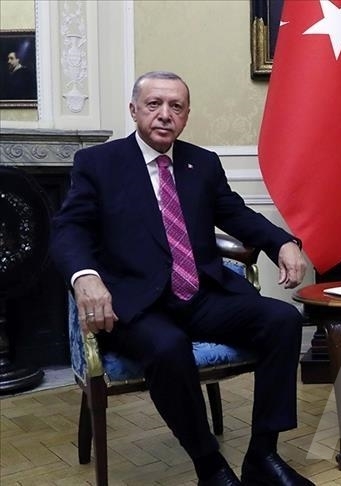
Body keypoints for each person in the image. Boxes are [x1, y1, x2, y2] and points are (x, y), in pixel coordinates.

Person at [51, 71, 314, 486]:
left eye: (176, 106)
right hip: (136, 304)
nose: (164, 114)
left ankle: (263, 455)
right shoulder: (99, 164)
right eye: (154, 104)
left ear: (186, 115)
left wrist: (282, 242)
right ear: (134, 110)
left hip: (200, 295)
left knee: (283, 320)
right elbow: (69, 229)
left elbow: (236, 214)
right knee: (168, 346)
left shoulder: (202, 163)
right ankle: (210, 466)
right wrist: (84, 276)